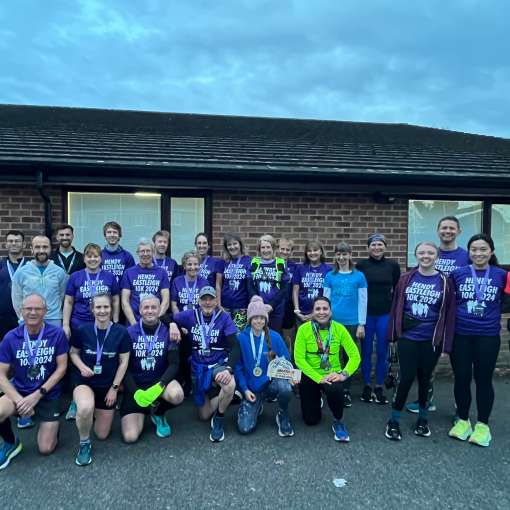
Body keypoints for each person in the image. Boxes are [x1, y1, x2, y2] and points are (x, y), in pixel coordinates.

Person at [385, 242, 456, 440]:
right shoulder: (406, 278)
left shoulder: (445, 281)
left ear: (437, 256)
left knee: (426, 379)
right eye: (422, 253)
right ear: (415, 255)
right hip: (408, 337)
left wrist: (446, 344)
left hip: (431, 340)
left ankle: (422, 420)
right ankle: (394, 420)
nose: (426, 256)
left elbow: (450, 314)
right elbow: (396, 306)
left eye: (430, 253)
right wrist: (391, 335)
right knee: (406, 377)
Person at [448, 234, 508, 447]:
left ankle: (483, 426)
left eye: (483, 249)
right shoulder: (457, 274)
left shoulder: (503, 275)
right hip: (461, 335)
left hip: (488, 336)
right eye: (474, 249)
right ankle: (463, 421)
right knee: (461, 379)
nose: (478, 253)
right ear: (469, 251)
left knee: (483, 381)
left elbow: (507, 303)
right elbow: (450, 303)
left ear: (491, 251)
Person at [407, 216, 471, 413]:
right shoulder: (430, 253)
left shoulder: (467, 256)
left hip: (458, 316)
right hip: (432, 319)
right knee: (427, 367)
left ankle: (460, 411)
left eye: (452, 228)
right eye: (444, 227)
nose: (448, 231)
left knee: (460, 370)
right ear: (437, 231)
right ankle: (427, 400)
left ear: (459, 232)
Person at [0, 294, 69, 469]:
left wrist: (37, 396)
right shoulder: (10, 338)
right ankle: (10, 443)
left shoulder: (57, 334)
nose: (33, 312)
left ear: (46, 311)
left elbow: (61, 369)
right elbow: (1, 375)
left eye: (38, 309)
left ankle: (51, 425)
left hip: (47, 394)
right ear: (21, 312)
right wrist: (19, 400)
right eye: (28, 309)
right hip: (20, 393)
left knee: (46, 449)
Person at [171, 286, 239, 442]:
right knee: (204, 415)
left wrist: (229, 369)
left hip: (218, 364)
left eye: (211, 299)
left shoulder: (224, 317)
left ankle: (219, 419)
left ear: (216, 301)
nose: (207, 302)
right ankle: (229, 397)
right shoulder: (190, 315)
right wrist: (173, 324)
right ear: (199, 302)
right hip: (198, 367)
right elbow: (165, 317)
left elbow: (234, 346)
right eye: (204, 299)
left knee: (229, 384)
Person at [70, 293, 130, 465]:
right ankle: (84, 443)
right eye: (98, 307)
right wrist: (81, 366)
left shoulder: (121, 331)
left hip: (107, 386)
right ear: (92, 310)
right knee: (85, 406)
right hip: (85, 381)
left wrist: (114, 388)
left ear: (111, 309)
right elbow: (73, 353)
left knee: (102, 435)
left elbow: (123, 361)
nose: (102, 311)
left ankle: (88, 412)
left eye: (106, 307)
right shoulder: (83, 330)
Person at [294, 296, 360, 441]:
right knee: (311, 420)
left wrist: (343, 374)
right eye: (317, 309)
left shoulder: (339, 329)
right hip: (310, 376)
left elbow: (355, 356)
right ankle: (316, 398)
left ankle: (338, 421)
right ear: (312, 312)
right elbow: (299, 359)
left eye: (325, 309)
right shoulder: (303, 329)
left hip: (331, 375)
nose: (321, 312)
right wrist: (319, 378)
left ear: (330, 311)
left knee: (336, 390)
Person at [121, 295, 183, 442]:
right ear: (140, 310)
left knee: (177, 395)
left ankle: (158, 412)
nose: (150, 311)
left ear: (160, 310)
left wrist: (159, 386)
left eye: (154, 307)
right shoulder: (129, 333)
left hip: (158, 380)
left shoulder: (169, 331)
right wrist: (135, 391)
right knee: (130, 437)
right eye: (146, 308)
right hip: (136, 384)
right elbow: (123, 366)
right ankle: (143, 407)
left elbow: (174, 364)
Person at [236, 296, 295, 436]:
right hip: (252, 388)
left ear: (266, 319)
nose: (259, 321)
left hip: (271, 384)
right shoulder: (241, 339)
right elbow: (238, 368)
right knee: (244, 428)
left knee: (286, 388)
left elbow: (286, 361)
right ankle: (256, 406)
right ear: (249, 319)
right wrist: (244, 389)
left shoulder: (275, 337)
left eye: (262, 317)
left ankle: (283, 414)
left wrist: (290, 376)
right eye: (255, 317)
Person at [355, 234, 400, 405]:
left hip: (385, 314)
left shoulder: (393, 266)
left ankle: (379, 386)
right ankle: (367, 386)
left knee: (382, 353)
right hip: (366, 315)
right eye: (373, 244)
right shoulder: (361, 265)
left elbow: (397, 291)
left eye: (380, 244)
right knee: (366, 351)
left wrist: (396, 315)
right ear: (368, 247)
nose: (376, 248)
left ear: (385, 247)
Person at [323, 242, 367, 408]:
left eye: (344, 254)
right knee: (333, 354)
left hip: (352, 322)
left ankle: (346, 389)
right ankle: (332, 386)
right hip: (333, 321)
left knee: (349, 355)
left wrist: (361, 323)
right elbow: (325, 300)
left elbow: (363, 301)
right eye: (338, 254)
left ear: (350, 255)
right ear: (335, 256)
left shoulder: (359, 276)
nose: (341, 258)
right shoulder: (330, 276)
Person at [63, 243, 121, 340]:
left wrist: (115, 322)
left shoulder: (110, 276)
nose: (92, 259)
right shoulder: (75, 276)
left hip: (104, 325)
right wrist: (65, 325)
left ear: (101, 258)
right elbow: (68, 302)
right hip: (79, 324)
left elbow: (115, 300)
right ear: (84, 258)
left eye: (96, 256)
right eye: (89, 256)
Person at [11, 235, 67, 327]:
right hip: (28, 320)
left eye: (45, 247)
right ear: (31, 249)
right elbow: (16, 300)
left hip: (54, 320)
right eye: (37, 247)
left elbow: (62, 296)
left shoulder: (59, 272)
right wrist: (24, 317)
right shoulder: (21, 272)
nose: (41, 251)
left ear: (50, 249)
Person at [121, 238, 170, 326]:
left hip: (156, 324)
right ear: (137, 253)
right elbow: (125, 302)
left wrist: (156, 321)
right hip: (133, 322)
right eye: (142, 251)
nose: (145, 254)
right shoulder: (129, 273)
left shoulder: (162, 273)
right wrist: (134, 325)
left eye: (148, 251)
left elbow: (165, 301)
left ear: (153, 252)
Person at [247, 235, 290, 334]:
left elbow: (284, 289)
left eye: (268, 247)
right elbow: (250, 287)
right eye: (263, 247)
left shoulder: (281, 263)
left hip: (276, 310)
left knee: (273, 339)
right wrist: (260, 304)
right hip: (257, 309)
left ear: (274, 248)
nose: (265, 250)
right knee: (258, 339)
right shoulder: (253, 263)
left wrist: (271, 305)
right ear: (259, 249)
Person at [292, 239, 333, 331]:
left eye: (315, 250)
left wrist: (316, 313)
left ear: (321, 252)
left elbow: (331, 293)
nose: (312, 253)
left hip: (321, 313)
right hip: (302, 314)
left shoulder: (329, 269)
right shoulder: (300, 268)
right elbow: (295, 292)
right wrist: (297, 311)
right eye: (309, 251)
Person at [216, 232, 252, 334]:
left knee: (238, 336)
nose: (232, 247)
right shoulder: (222, 262)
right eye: (229, 244)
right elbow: (218, 285)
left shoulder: (249, 261)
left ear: (240, 244)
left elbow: (251, 286)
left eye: (235, 244)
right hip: (225, 306)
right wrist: (218, 304)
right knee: (225, 335)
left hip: (242, 306)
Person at [0, 231, 28, 341]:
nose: (14, 243)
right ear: (6, 244)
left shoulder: (31, 266)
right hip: (3, 316)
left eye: (17, 241)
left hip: (26, 316)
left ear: (24, 244)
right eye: (10, 241)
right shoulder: (1, 265)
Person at [278, 237, 298, 357]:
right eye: (282, 249)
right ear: (277, 249)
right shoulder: (272, 263)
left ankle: (287, 366)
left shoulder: (294, 266)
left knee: (287, 338)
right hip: (273, 305)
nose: (284, 252)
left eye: (287, 250)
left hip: (287, 305)